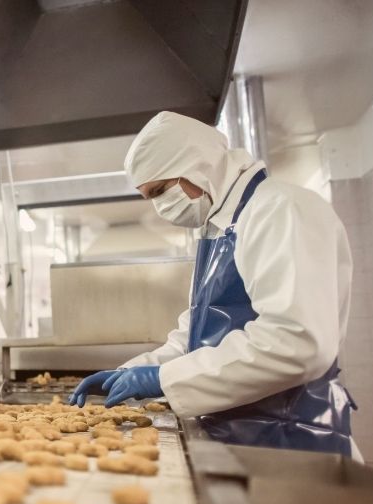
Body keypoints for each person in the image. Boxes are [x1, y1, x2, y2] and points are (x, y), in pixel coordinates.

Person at [69, 111, 356, 456]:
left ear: (197, 165)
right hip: (239, 434)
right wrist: (132, 372)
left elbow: (296, 342)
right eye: (149, 197)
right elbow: (197, 338)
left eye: (160, 190)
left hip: (293, 439)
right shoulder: (220, 230)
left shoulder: (281, 210)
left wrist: (161, 380)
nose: (160, 207)